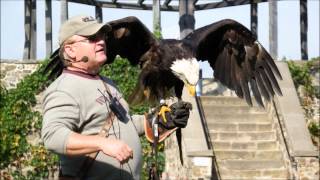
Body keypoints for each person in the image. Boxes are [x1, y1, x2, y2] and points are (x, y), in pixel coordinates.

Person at [41, 15, 191, 180]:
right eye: (91, 38)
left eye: (101, 36)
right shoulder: (65, 89)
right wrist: (102, 144)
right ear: (70, 50)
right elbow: (52, 136)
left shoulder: (107, 83)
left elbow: (122, 124)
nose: (101, 42)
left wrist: (157, 121)